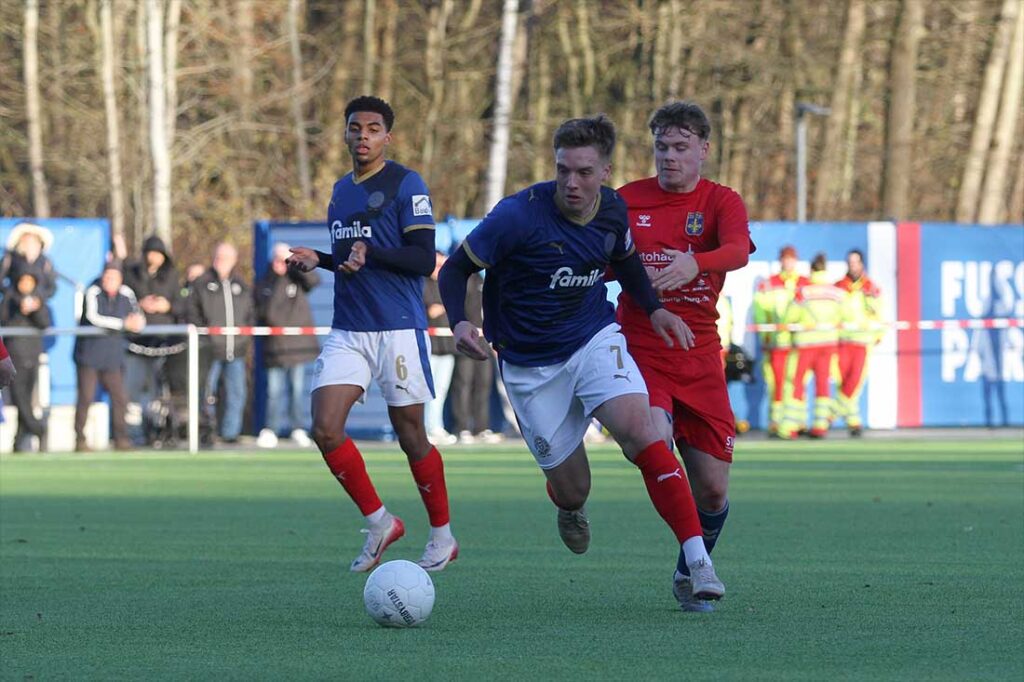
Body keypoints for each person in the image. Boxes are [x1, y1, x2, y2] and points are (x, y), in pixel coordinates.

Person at [439, 113, 725, 604]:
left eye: (584, 172)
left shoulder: (613, 211)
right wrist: (459, 322)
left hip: (594, 339)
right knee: (574, 489)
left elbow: (628, 262)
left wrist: (654, 310)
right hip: (531, 366)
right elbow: (457, 269)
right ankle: (568, 507)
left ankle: (699, 563)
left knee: (644, 434)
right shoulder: (517, 216)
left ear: (606, 172)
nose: (571, 182)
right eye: (563, 170)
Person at [285, 95, 458, 573]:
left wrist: (373, 254)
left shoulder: (407, 183)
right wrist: (317, 259)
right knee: (324, 426)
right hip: (350, 328)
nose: (363, 136)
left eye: (373, 128)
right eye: (355, 128)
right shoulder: (341, 191)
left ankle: (442, 535)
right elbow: (349, 259)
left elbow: (425, 259)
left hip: (399, 328)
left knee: (410, 434)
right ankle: (381, 521)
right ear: (345, 134)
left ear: (388, 137)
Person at [616, 101, 753, 611]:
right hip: (640, 349)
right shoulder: (626, 200)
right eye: (661, 147)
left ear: (704, 150)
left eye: (680, 147)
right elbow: (600, 258)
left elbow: (737, 251)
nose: (669, 157)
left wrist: (695, 262)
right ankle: (700, 562)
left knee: (714, 492)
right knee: (651, 437)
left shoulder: (721, 201)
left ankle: (685, 565)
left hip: (699, 356)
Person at [120, 235, 187, 446]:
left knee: (159, 394)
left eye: (158, 254)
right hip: (136, 344)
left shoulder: (172, 276)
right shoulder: (131, 275)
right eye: (151, 252)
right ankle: (133, 433)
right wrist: (140, 305)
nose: (154, 257)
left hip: (164, 344)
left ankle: (159, 432)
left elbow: (182, 305)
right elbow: (122, 300)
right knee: (132, 390)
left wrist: (166, 306)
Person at [74, 260, 145, 452]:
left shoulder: (127, 293)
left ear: (120, 279)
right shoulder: (93, 291)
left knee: (120, 398)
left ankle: (121, 439)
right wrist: (123, 325)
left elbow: (137, 316)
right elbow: (94, 317)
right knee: (86, 397)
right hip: (89, 355)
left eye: (113, 277)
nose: (109, 280)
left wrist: (137, 323)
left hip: (112, 357)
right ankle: (80, 439)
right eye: (107, 276)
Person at [254, 242, 320, 448]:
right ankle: (271, 429)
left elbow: (314, 280)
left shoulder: (297, 278)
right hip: (274, 348)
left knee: (297, 389)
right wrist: (276, 276)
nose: (280, 263)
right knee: (273, 392)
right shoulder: (265, 281)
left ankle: (298, 428)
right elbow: (262, 310)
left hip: (297, 347)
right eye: (277, 259)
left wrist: (294, 265)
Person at [187, 242, 254, 444]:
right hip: (210, 350)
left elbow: (250, 315)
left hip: (237, 349)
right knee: (206, 392)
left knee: (237, 392)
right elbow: (192, 312)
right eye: (218, 257)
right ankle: (206, 431)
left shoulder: (241, 285)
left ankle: (230, 433)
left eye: (225, 258)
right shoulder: (202, 284)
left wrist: (244, 339)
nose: (221, 261)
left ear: (234, 260)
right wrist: (205, 337)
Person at [779, 253, 846, 439]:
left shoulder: (803, 291)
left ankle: (790, 427)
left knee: (797, 383)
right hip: (828, 343)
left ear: (811, 269)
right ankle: (820, 426)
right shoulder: (836, 292)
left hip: (806, 343)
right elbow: (845, 316)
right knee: (823, 384)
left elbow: (789, 317)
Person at [753, 245, 809, 435]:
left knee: (798, 382)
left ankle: (798, 421)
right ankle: (776, 421)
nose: (788, 262)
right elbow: (761, 312)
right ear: (780, 261)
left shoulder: (805, 282)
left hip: (800, 342)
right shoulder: (769, 284)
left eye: (791, 259)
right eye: (785, 259)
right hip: (778, 343)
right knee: (776, 382)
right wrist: (766, 336)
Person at [0, 270, 52, 451]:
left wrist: (35, 310)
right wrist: (18, 307)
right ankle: (37, 430)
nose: (26, 285)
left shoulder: (39, 300)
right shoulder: (9, 298)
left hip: (32, 354)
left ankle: (22, 440)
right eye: (23, 281)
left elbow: (45, 323)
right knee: (18, 398)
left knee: (25, 399)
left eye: (30, 281)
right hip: (13, 356)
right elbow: (3, 320)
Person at [835, 249, 882, 437]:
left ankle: (830, 415)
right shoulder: (839, 286)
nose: (853, 266)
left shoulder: (871, 288)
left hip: (862, 341)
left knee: (854, 381)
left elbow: (879, 313)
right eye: (850, 262)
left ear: (862, 264)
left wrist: (878, 334)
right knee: (843, 381)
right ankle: (853, 420)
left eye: (856, 262)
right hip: (842, 340)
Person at [447, 265, 495, 443]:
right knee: (463, 384)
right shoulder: (461, 279)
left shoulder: (484, 279)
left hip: (485, 339)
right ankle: (462, 427)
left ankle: (482, 427)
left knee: (483, 384)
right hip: (467, 338)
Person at [422, 249, 458, 446]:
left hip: (447, 345)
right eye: (436, 265)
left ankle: (437, 426)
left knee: (442, 389)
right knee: (429, 389)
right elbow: (432, 311)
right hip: (430, 345)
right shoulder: (423, 284)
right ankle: (429, 427)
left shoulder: (447, 284)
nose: (439, 269)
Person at [0, 222, 57, 300]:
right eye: (26, 240)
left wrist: (37, 300)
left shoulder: (45, 262)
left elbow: (52, 287)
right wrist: (14, 297)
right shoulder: (10, 259)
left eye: (34, 240)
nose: (30, 244)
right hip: (12, 307)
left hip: (37, 309)